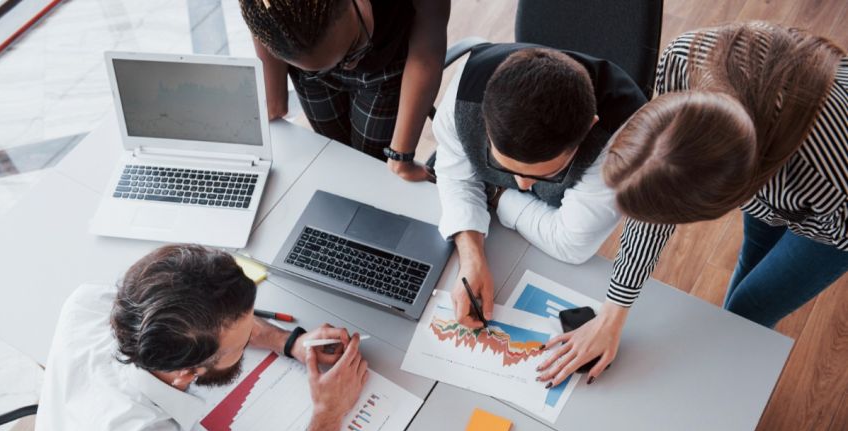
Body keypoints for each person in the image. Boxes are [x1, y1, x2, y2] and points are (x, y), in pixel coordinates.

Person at [537, 22, 848, 388]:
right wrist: (612, 312)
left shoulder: (827, 174)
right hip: (777, 174)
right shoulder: (685, 59)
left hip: (834, 224)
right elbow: (658, 188)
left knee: (748, 309)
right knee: (754, 253)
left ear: (723, 202)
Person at [30, 244, 368, 431]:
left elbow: (200, 311)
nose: (253, 333)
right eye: (241, 342)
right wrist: (328, 414)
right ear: (186, 373)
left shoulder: (89, 304)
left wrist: (287, 341)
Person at [433, 44, 646, 328]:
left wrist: (495, 192)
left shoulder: (623, 141)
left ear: (588, 128)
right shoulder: (463, 94)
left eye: (544, 174)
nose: (520, 183)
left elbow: (570, 243)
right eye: (504, 167)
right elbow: (455, 177)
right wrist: (471, 258)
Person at [239, 0, 449, 182]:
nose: (347, 66)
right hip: (312, 75)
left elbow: (427, 52)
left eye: (356, 43)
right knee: (339, 159)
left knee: (369, 169)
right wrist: (272, 99)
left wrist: (400, 156)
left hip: (384, 64)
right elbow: (263, 17)